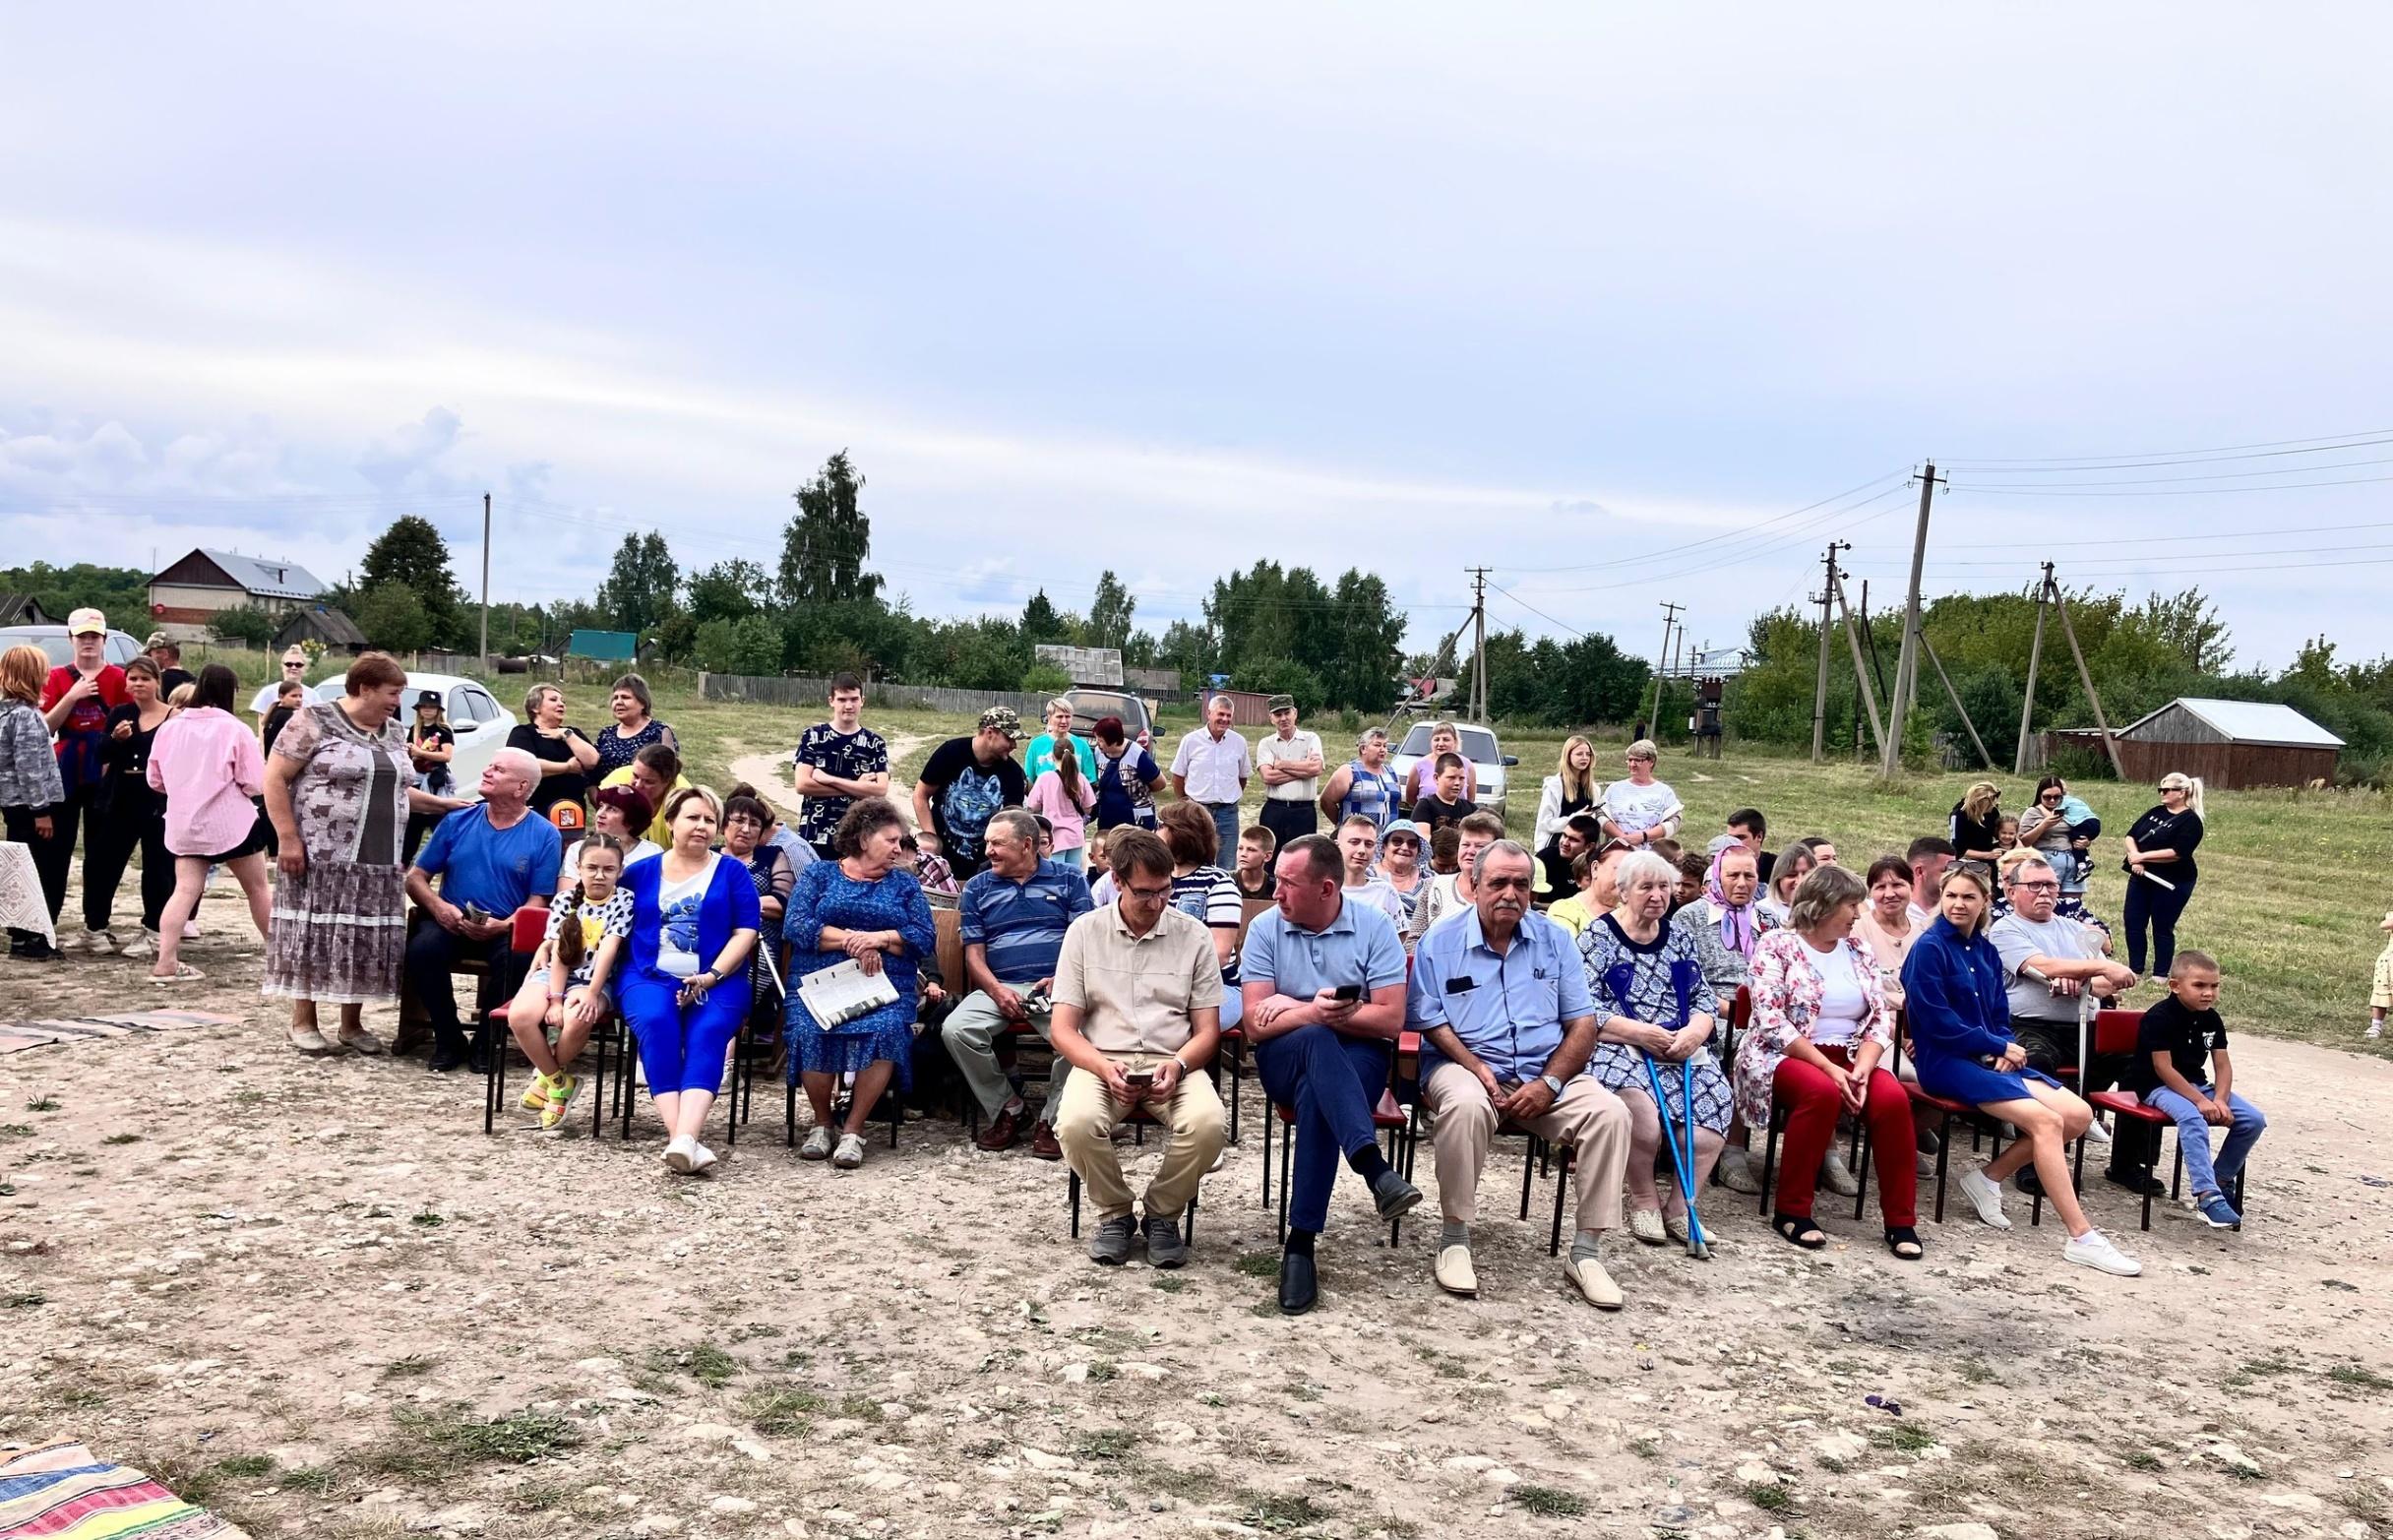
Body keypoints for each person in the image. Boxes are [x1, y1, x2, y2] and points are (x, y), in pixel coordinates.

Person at [1409, 839, 1633, 1308]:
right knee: (1466, 1104)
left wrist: (1550, 1083)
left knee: (1611, 1112)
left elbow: (1583, 1024)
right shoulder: (1440, 941)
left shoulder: (1555, 940)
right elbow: (1428, 1019)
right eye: (1498, 882)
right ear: (1473, 886)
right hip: (1465, 1065)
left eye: (1521, 884)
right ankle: (1454, 1239)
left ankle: (1587, 1252)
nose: (1510, 893)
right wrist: (1475, 1067)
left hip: (1544, 1070)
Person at [1898, 863, 2142, 1275]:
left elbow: (1998, 1010)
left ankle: (1987, 1178)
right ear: (1941, 899)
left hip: (1985, 1057)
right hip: (1946, 1062)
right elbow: (1935, 1021)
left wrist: (2002, 1047)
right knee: (2046, 1122)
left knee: (2078, 1115)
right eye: (1951, 896)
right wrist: (1995, 1045)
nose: (1959, 904)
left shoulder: (1986, 950)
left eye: (1968, 897)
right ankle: (2082, 1236)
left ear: (1984, 902)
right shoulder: (1929, 948)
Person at [1241, 832, 1421, 1313]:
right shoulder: (1264, 928)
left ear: (1325, 889)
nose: (1275, 892)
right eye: (1276, 880)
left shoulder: (1375, 926)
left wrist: (1295, 1006)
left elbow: (1390, 1020)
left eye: (1287, 883)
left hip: (1359, 1054)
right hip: (1285, 1052)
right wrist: (1316, 1014)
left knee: (1318, 1096)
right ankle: (1373, 1167)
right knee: (1317, 1041)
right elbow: (1257, 1025)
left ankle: (1300, 1246)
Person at [1049, 828, 1228, 1268]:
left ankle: (1162, 1212)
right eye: (1145, 892)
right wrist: (1103, 1067)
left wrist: (1180, 1065)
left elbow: (1208, 1030)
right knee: (1073, 1123)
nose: (1158, 902)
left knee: (1208, 1125)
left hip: (1173, 1058)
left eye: (1165, 889)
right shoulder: (1084, 932)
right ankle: (1115, 1212)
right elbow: (1063, 1030)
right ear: (1116, 881)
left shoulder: (1195, 935)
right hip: (1102, 1059)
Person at [263, 653, 449, 1055]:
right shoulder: (313, 720)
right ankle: (303, 1019)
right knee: (314, 931)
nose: (397, 702)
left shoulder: (395, 732)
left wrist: (444, 805)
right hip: (320, 854)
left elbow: (397, 790)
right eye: (392, 693)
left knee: (363, 934)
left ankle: (352, 1023)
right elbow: (274, 778)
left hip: (379, 855)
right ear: (364, 688)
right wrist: (287, 838)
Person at [1738, 865, 1922, 1258]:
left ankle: (1901, 1221)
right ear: (1823, 905)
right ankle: (1792, 1210)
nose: (1859, 913)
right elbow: (1770, 1021)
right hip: (1785, 1053)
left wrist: (1864, 1068)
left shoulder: (1858, 949)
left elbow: (1878, 1018)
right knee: (1820, 1092)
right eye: (1853, 904)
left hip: (1853, 1054)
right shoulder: (1777, 945)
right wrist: (1828, 1068)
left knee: (1892, 1100)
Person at [1579, 849, 1730, 1251]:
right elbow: (1581, 1007)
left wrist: (1696, 1033)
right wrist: (1641, 1033)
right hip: (1620, 1043)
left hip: (1679, 1045)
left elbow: (1702, 996)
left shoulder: (1679, 936)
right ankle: (1644, 1199)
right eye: (1646, 887)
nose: (1657, 895)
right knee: (1641, 1117)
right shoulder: (1597, 936)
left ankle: (1681, 1208)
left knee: (1714, 1103)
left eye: (1664, 887)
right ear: (1624, 892)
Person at [783, 796, 937, 1169]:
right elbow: (797, 925)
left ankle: (853, 1128)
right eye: (892, 840)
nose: (899, 849)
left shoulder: (904, 884)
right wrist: (853, 940)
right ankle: (822, 1124)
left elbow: (923, 936)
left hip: (883, 983)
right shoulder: (820, 874)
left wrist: (880, 939)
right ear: (864, 838)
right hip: (820, 981)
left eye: (901, 842)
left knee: (885, 1030)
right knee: (808, 1028)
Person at [1988, 855, 2148, 1198]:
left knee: (2142, 1064)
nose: (2044, 892)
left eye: (2051, 885)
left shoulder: (2075, 930)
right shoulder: (2005, 929)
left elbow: (2111, 984)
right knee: (2034, 1063)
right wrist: (2090, 971)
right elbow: (2039, 965)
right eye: (2034, 885)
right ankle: (2034, 1164)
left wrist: (2084, 976)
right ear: (2012, 891)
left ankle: (2126, 1162)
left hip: (2084, 1025)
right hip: (2030, 1025)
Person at [618, 786, 760, 1173]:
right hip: (648, 975)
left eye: (709, 820)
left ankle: (684, 1139)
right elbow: (611, 926)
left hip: (718, 979)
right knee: (656, 1021)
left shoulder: (732, 872)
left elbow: (746, 931)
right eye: (692, 817)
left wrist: (712, 975)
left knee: (709, 1031)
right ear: (670, 822)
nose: (701, 826)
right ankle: (682, 1139)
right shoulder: (638, 873)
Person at [942, 808, 1094, 1154]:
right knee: (956, 1030)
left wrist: (1062, 977)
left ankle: (1052, 1121)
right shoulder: (978, 888)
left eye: (997, 843)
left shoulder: (1070, 879)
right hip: (1001, 984)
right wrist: (996, 990)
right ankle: (1010, 1110)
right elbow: (974, 957)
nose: (988, 851)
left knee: (1082, 1041)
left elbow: (1085, 942)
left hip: (1058, 987)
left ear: (1027, 844)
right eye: (987, 843)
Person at [403, 748, 561, 1072]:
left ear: (521, 787)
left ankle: (488, 1042)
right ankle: (448, 1038)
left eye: (498, 769)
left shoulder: (545, 834)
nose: (487, 771)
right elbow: (416, 878)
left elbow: (539, 901)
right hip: (452, 921)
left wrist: (503, 925)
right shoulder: (458, 820)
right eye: (489, 765)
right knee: (422, 949)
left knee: (519, 958)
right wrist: (440, 907)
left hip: (506, 926)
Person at [144, 665, 274, 985]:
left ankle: (166, 960)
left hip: (184, 822)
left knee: (185, 889)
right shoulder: (235, 729)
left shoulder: (170, 728)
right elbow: (255, 782)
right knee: (257, 889)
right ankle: (280, 957)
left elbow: (154, 779)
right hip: (231, 823)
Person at [506, 832, 632, 1130]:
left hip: (596, 980)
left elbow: (609, 950)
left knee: (578, 1018)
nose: (599, 876)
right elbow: (561, 954)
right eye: (592, 868)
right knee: (521, 1016)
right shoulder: (565, 901)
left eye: (608, 869)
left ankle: (544, 1079)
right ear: (579, 867)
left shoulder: (624, 901)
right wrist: (555, 999)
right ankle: (560, 1082)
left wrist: (591, 992)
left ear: (620, 871)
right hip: (557, 975)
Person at [2129, 951, 2263, 1229]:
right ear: (2175, 986)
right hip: (2158, 1086)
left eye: (2214, 986)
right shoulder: (2159, 1017)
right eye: (2199, 986)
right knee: (2191, 1117)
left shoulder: (2211, 1019)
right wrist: (2201, 1101)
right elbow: (2164, 1069)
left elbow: (2223, 1066)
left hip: (2198, 1085)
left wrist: (2222, 1101)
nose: (2208, 993)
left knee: (2252, 1120)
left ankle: (2222, 1178)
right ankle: (2207, 1194)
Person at [33, 609, 129, 950]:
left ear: (104, 640)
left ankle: (97, 926)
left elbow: (129, 724)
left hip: (104, 769)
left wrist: (112, 755)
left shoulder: (119, 677)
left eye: (94, 636)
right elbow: (47, 727)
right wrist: (72, 695)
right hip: (66, 768)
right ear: (71, 639)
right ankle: (47, 924)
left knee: (101, 851)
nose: (88, 642)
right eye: (82, 636)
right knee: (56, 850)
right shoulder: (57, 677)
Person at [78, 657, 176, 958]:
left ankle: (153, 929)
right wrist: (114, 739)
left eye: (144, 679)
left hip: (158, 802)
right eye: (132, 678)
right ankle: (95, 927)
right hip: (119, 799)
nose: (138, 684)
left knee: (158, 868)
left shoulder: (173, 717)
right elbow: (101, 753)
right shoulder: (121, 714)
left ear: (157, 682)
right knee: (102, 863)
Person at [0, 646, 68, 960]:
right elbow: (29, 767)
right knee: (41, 869)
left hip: (13, 803)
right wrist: (41, 811)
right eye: (42, 670)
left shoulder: (6, 712)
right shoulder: (26, 717)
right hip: (30, 806)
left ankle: (21, 934)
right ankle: (33, 937)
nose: (47, 676)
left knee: (20, 868)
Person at [1157, 800, 1248, 1037]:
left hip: (1218, 990)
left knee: (1164, 1027)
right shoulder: (1155, 880)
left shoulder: (1218, 883)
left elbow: (1220, 953)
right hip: (1158, 987)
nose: (1155, 831)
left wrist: (1173, 985)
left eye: (1161, 825)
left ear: (1179, 833)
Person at [914, 708, 1029, 880]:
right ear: (990, 733)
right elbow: (920, 796)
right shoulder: (951, 753)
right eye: (1009, 738)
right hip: (942, 860)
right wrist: (932, 842)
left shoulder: (1012, 772)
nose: (1014, 745)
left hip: (985, 867)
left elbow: (1015, 822)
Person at [790, 673, 890, 859]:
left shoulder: (875, 743)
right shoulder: (813, 737)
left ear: (862, 701)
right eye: (842, 699)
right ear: (831, 701)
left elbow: (880, 790)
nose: (849, 705)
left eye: (854, 699)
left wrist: (828, 779)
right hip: (816, 832)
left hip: (859, 835)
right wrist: (859, 788)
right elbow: (802, 785)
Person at [2121, 771, 2204, 980]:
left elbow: (2176, 853)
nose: (2162, 793)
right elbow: (2131, 835)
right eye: (2161, 789)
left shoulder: (2191, 821)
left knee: (2162, 925)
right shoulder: (2156, 811)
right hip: (2141, 875)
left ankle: (2161, 973)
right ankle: (2136, 968)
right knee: (2133, 921)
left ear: (2182, 793)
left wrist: (2142, 857)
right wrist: (2135, 857)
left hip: (2172, 881)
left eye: (2167, 790)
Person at [1170, 695, 1252, 862]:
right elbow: (1178, 776)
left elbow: (1242, 777)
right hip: (1197, 810)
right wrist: (1185, 802)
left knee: (1227, 863)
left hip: (1228, 813)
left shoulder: (1239, 742)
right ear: (1209, 713)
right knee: (1195, 859)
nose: (1224, 719)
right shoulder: (1191, 741)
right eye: (1220, 714)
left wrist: (1228, 796)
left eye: (1228, 715)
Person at [1407, 811, 1505, 944]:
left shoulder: (1509, 892)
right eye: (1465, 845)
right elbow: (1414, 941)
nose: (1470, 851)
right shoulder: (1432, 886)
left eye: (1480, 847)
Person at [508, 684, 600, 818]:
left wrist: (567, 734)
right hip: (535, 809)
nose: (561, 704)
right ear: (535, 707)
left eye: (563, 701)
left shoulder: (573, 733)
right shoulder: (523, 733)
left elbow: (592, 760)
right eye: (553, 700)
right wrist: (567, 767)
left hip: (571, 811)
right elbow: (525, 766)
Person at [1254, 695, 1324, 848]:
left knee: (1302, 859)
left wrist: (1281, 764)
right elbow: (1268, 776)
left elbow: (1315, 768)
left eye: (1287, 713)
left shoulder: (1311, 738)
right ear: (1271, 718)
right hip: (1274, 810)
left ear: (1295, 713)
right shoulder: (1266, 743)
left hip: (1303, 811)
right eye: (1278, 715)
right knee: (1270, 859)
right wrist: (1303, 768)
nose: (1283, 718)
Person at [1326, 814, 1413, 934]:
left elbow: (1400, 937)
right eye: (1354, 842)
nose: (1362, 850)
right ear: (1337, 846)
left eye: (1368, 844)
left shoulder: (1385, 892)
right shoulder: (1323, 890)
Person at [1024, 730, 1098, 870]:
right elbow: (1089, 807)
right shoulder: (1081, 778)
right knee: (1072, 875)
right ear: (1074, 755)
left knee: (1055, 875)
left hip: (1054, 836)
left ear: (1052, 756)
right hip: (1075, 835)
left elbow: (1032, 806)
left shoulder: (1045, 778)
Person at [1854, 854, 1920, 1009]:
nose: (1889, 894)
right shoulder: (1856, 930)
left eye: (1897, 885)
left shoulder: (1923, 934)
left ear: (1912, 887)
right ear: (1870, 893)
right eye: (1881, 887)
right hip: (1875, 1020)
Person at [565, 784, 662, 887]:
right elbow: (567, 895)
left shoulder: (651, 853)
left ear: (630, 820)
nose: (600, 814)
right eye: (601, 806)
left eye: (611, 809)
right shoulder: (577, 849)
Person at [402, 690, 458, 863]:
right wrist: (411, 753)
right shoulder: (414, 730)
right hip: (416, 780)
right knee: (412, 827)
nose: (427, 710)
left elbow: (447, 756)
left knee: (439, 822)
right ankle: (404, 865)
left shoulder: (444, 730)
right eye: (424, 707)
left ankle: (448, 860)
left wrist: (422, 753)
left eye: (432, 707)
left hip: (435, 782)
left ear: (438, 710)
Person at [1599, 740, 1680, 851]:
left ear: (1651, 762)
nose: (1632, 764)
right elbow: (1601, 815)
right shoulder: (1614, 789)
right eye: (1630, 760)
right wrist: (1622, 838)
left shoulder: (1664, 792)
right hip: (1616, 852)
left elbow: (1673, 821)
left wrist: (1643, 836)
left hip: (1650, 856)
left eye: (1638, 760)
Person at [1319, 727, 1403, 832]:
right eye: (1377, 745)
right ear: (1363, 748)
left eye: (1385, 746)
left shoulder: (1392, 773)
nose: (1383, 749)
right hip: (1357, 838)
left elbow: (1396, 802)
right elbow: (1326, 801)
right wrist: (1343, 824)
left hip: (1386, 840)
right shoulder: (1349, 771)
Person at [592, 673, 675, 777]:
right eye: (615, 698)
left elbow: (670, 774)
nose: (618, 702)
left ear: (643, 703)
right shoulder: (606, 734)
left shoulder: (659, 732)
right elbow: (593, 776)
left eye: (625, 697)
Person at [1088, 715, 1162, 832]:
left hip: (1137, 820)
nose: (1097, 743)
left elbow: (1160, 783)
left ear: (1112, 740)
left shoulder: (1137, 754)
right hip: (1108, 818)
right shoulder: (1099, 752)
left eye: (1101, 740)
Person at [1533, 735, 1599, 856]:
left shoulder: (1593, 789)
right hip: (1555, 848)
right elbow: (1546, 823)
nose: (1585, 758)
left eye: (1588, 754)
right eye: (1579, 754)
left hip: (1581, 853)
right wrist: (1574, 819)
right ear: (1568, 756)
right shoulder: (1554, 786)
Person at [2015, 775, 2079, 893]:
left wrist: (2086, 840)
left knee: (2072, 904)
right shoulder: (2033, 812)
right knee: (2048, 898)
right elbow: (2023, 841)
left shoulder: (2071, 811)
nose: (2052, 801)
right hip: (2048, 857)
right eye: (2047, 797)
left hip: (2072, 858)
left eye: (2057, 797)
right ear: (2040, 795)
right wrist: (2043, 826)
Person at [1024, 698, 1099, 785]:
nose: (1064, 721)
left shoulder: (1082, 745)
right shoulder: (1036, 745)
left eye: (1067, 716)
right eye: (1059, 716)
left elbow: (1090, 781)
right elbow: (1029, 780)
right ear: (1049, 717)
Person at [1401, 722, 1475, 810]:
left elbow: (1471, 799)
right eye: (1436, 739)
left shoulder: (1467, 765)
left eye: (1446, 739)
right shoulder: (1419, 766)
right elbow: (1410, 798)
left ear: (1455, 742)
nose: (1440, 744)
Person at [1534, 813, 1601, 906]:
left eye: (1573, 840)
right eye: (1564, 835)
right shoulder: (1545, 858)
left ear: (1589, 846)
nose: (1565, 843)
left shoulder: (1596, 868)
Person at [598, 741, 693, 805]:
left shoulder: (682, 800)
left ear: (667, 781)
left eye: (648, 782)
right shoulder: (620, 777)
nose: (638, 785)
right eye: (635, 776)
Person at [1409, 754, 1478, 835]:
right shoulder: (1425, 806)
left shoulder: (1471, 809)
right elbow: (1423, 840)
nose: (1457, 783)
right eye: (1451, 778)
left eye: (1461, 778)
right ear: (1436, 778)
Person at [1376, 819, 1428, 922]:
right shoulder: (1367, 876)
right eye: (1397, 842)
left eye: (1412, 844)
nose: (1405, 847)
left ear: (1418, 851)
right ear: (1383, 847)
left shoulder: (1429, 879)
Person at [1757, 841, 1814, 926]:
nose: (1799, 881)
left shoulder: (1826, 911)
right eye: (1791, 875)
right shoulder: (1761, 911)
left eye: (1806, 874)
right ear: (1778, 878)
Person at [1905, 835, 1956, 926]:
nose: (1953, 876)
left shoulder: (1956, 912)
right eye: (1945, 871)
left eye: (1953, 871)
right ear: (1920, 871)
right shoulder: (1898, 914)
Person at [248, 646, 310, 718]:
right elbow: (262, 725)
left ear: (304, 667)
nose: (293, 667)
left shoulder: (313, 696)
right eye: (289, 664)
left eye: (298, 665)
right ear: (282, 666)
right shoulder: (268, 692)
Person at [1950, 781, 2003, 865]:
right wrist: (1987, 855)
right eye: (1990, 803)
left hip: (1988, 853)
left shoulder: (1993, 812)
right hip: (1966, 859)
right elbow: (1958, 849)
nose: (1993, 806)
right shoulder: (1959, 815)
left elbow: (2000, 834)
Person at [1725, 808, 1775, 887]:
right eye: (1730, 838)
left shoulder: (1777, 868)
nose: (1733, 843)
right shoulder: (1718, 866)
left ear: (1759, 837)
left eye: (1740, 838)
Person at [260, 678, 304, 757]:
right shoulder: (287, 715)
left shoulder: (275, 710)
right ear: (281, 697)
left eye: (300, 696)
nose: (299, 700)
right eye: (294, 696)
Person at [1232, 825, 1277, 900]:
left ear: (1267, 856)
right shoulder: (1227, 881)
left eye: (1251, 849)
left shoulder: (1276, 886)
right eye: (1240, 848)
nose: (1243, 854)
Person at [142, 634, 195, 698]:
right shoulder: (194, 682)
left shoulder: (157, 681)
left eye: (150, 655)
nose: (149, 659)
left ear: (165, 654)